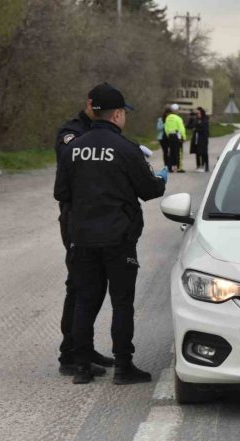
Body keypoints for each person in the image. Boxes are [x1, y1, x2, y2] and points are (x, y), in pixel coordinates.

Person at [54, 83, 168, 384]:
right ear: (117, 114)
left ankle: (81, 367)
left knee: (85, 300)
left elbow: (60, 192)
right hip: (118, 239)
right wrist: (160, 178)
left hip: (81, 238)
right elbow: (149, 190)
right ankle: (123, 366)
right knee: (121, 302)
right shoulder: (126, 149)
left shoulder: (73, 148)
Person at [54, 87, 112, 376]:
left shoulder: (102, 131)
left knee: (95, 286)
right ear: (89, 104)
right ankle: (70, 355)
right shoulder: (72, 132)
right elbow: (71, 162)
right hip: (76, 218)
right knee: (79, 285)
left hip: (97, 219)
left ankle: (84, 347)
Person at [164, 103, 186, 173]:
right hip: (177, 136)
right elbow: (181, 129)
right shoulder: (178, 118)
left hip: (170, 136)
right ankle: (179, 168)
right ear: (176, 110)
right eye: (178, 109)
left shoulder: (168, 118)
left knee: (171, 152)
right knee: (178, 152)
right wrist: (184, 137)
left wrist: (168, 135)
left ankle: (170, 168)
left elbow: (166, 128)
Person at [187, 107, 210, 172]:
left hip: (203, 138)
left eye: (199, 113)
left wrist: (196, 129)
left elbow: (204, 129)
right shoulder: (195, 119)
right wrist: (191, 118)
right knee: (197, 152)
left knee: (203, 152)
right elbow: (188, 126)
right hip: (196, 138)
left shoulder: (205, 120)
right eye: (197, 113)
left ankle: (205, 166)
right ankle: (198, 166)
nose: (198, 115)